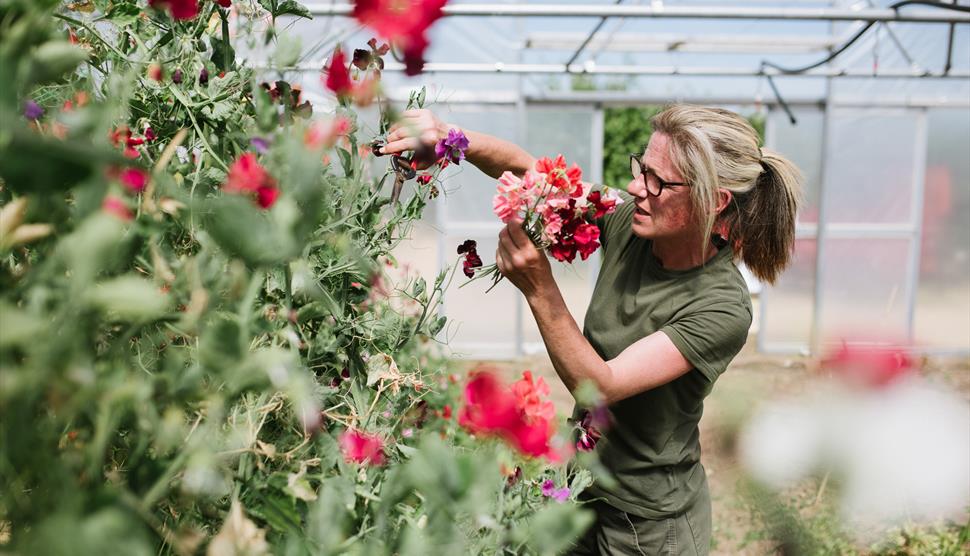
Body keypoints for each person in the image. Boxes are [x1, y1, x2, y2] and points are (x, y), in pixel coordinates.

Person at [382, 105, 802, 555]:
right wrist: (450, 138)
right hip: (579, 486)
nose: (636, 187)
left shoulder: (720, 305)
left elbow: (601, 386)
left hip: (646, 524)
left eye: (659, 181)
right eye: (641, 168)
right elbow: (532, 173)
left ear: (713, 200)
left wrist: (540, 289)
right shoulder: (629, 222)